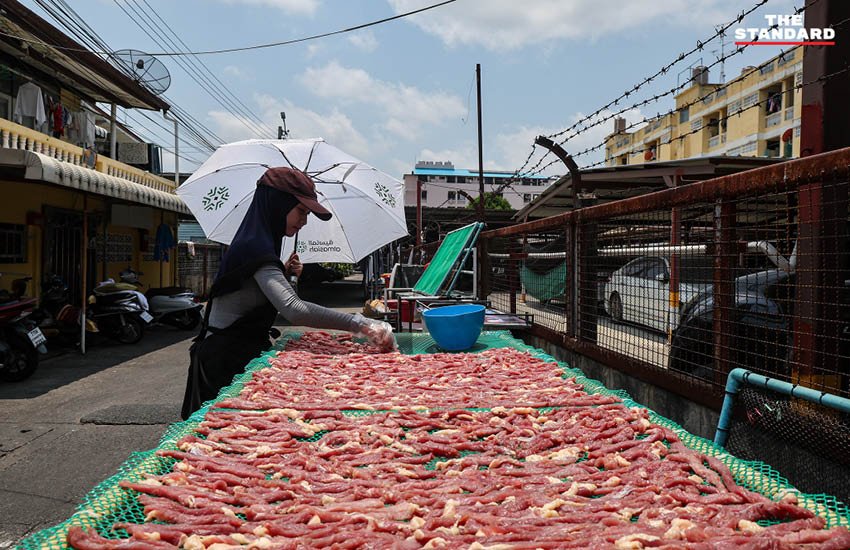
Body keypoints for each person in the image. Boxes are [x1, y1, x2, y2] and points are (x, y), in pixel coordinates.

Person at [181, 167, 395, 419]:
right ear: (277, 204)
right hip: (224, 358)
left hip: (240, 349)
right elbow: (293, 309)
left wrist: (288, 274)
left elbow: (262, 296)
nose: (304, 221)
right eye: (301, 211)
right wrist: (362, 325)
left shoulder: (259, 243)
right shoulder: (254, 246)